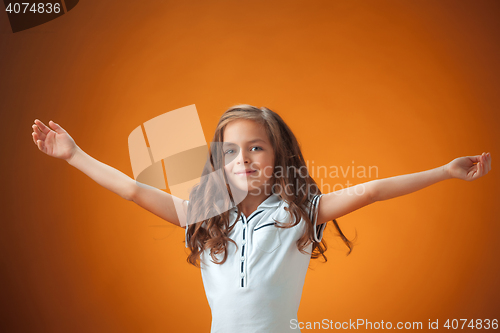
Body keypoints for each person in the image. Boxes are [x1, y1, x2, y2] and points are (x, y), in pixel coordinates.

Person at [32, 104, 492, 333]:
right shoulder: (204, 216)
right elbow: (133, 190)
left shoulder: (300, 213)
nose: (244, 158)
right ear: (219, 161)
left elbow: (370, 190)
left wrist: (444, 172)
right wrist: (74, 156)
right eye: (231, 150)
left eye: (257, 147)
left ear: (278, 155)